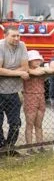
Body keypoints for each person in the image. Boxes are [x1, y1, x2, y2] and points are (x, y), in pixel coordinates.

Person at [0, 27, 28, 156]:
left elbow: (25, 67)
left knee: (15, 122)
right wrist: (18, 72)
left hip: (14, 91)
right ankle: (1, 148)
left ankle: (9, 148)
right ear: (5, 36)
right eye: (13, 36)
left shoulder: (22, 45)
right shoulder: (0, 46)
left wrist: (7, 70)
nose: (17, 38)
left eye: (18, 36)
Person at [22, 50, 47, 153]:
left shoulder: (41, 70)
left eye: (38, 60)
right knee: (30, 123)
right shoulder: (26, 71)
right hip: (30, 96)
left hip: (41, 96)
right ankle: (29, 147)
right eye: (34, 60)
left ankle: (40, 145)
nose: (37, 62)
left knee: (39, 124)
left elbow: (49, 71)